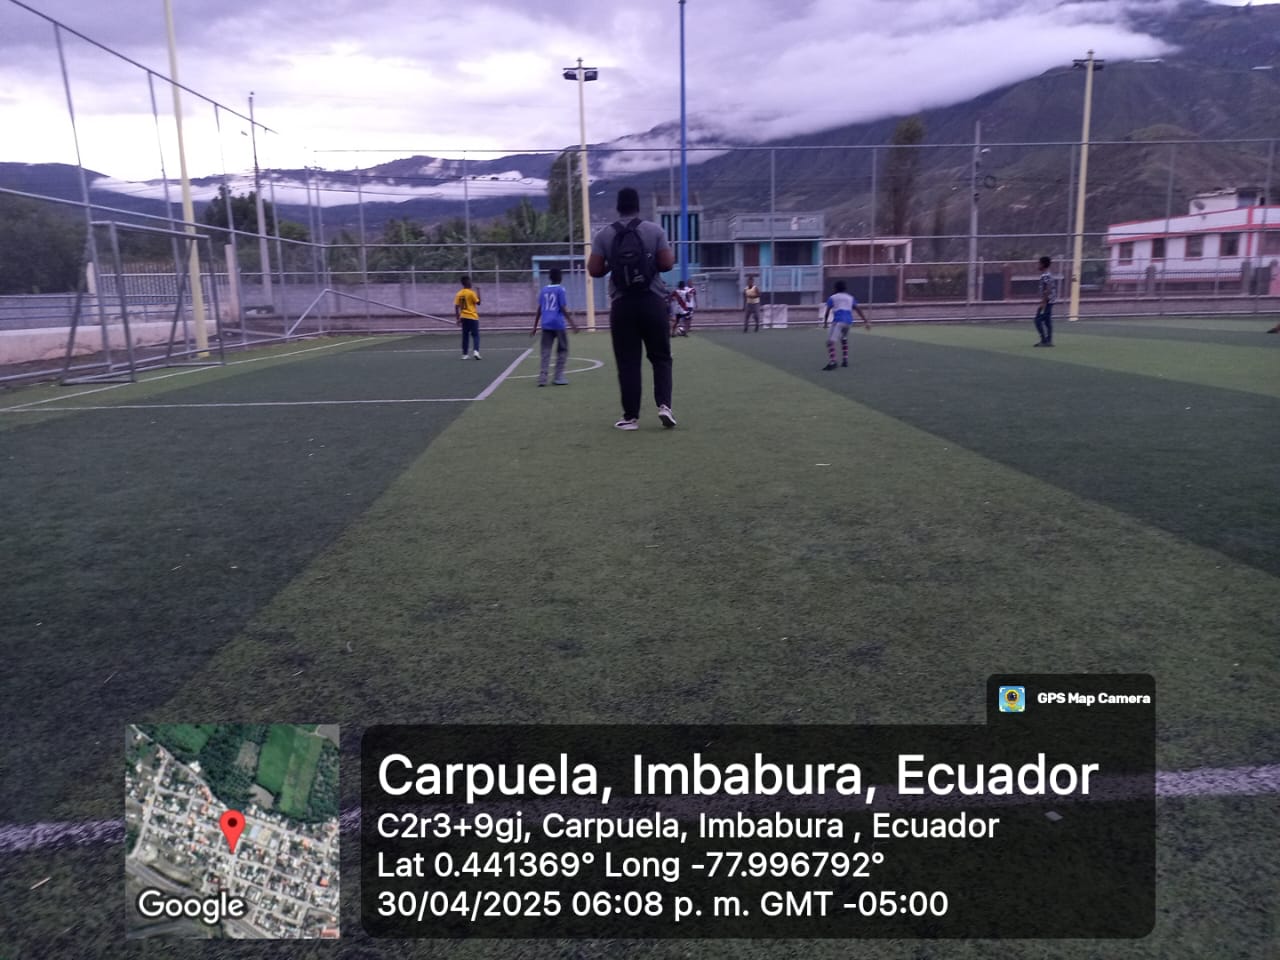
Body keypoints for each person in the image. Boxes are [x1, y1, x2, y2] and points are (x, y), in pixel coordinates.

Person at [588, 187, 677, 430]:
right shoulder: (654, 230)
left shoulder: (604, 235)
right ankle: (664, 406)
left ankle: (630, 417)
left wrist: (614, 264)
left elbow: (594, 270)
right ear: (638, 206)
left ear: (618, 207)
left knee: (628, 361)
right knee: (661, 357)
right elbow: (667, 263)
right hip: (652, 301)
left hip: (622, 304)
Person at [530, 267, 578, 386]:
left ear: (550, 277)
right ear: (560, 277)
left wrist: (535, 326)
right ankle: (558, 377)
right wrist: (572, 323)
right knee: (562, 349)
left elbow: (539, 309)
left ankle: (542, 378)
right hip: (558, 324)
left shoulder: (543, 290)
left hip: (546, 324)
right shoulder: (560, 290)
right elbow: (562, 307)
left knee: (545, 351)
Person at [822, 280, 870, 370]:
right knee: (844, 339)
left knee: (830, 342)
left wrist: (825, 323)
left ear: (835, 288)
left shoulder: (833, 298)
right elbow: (858, 309)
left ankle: (833, 362)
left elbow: (827, 311)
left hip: (838, 322)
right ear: (845, 288)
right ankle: (845, 360)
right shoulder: (850, 297)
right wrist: (866, 321)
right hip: (848, 322)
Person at [454, 275, 482, 359]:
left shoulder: (459, 293)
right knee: (475, 335)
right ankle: (476, 352)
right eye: (470, 281)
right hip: (472, 317)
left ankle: (465, 354)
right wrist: (478, 291)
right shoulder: (471, 292)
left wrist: (458, 318)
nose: (471, 283)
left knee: (465, 335)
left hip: (464, 317)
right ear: (467, 282)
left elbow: (456, 307)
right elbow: (478, 302)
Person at [1033, 255, 1055, 347]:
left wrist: (1043, 302)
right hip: (1050, 301)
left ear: (1042, 264)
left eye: (1039, 263)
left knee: (1037, 320)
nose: (1038, 265)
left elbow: (1048, 288)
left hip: (1047, 301)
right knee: (1047, 321)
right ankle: (1048, 340)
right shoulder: (1048, 274)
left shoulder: (1045, 275)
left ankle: (1044, 340)